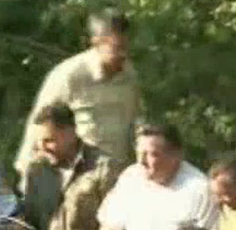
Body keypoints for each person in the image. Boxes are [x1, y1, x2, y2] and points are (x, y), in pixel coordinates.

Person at [13, 7, 141, 192]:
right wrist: (28, 177)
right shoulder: (69, 76)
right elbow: (39, 124)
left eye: (126, 47)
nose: (123, 55)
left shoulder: (129, 76)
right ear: (96, 42)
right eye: (117, 48)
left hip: (118, 178)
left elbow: (134, 123)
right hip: (78, 178)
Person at [85, 122, 220, 230]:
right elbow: (109, 229)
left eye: (152, 154)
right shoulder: (130, 178)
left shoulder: (200, 188)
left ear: (176, 155)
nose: (141, 161)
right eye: (139, 154)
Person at [22, 102, 125, 230]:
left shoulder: (105, 169)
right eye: (39, 141)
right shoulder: (36, 171)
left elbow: (116, 229)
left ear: (70, 133)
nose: (42, 148)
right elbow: (31, 224)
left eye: (49, 141)